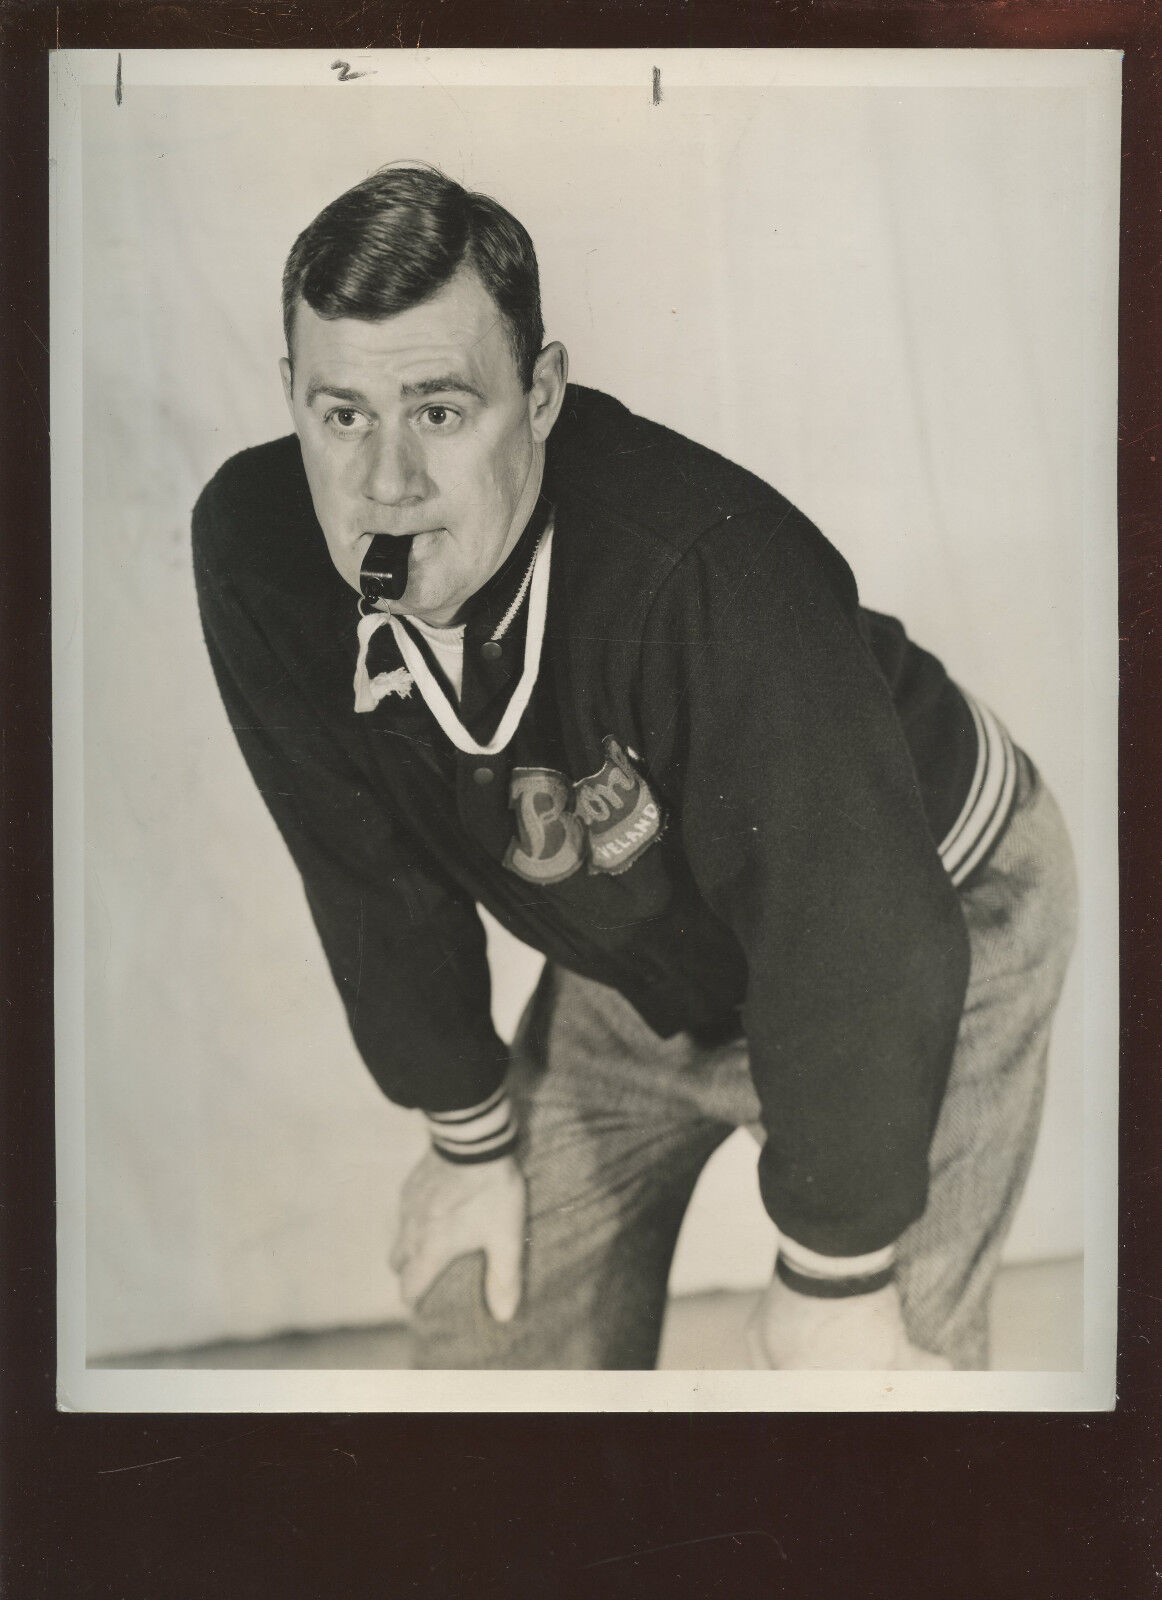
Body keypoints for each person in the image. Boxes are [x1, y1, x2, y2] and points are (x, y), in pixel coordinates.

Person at [192, 164, 1077, 1371]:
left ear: (541, 393)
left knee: (862, 1424)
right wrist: (466, 1134)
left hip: (920, 914)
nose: (383, 486)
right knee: (487, 1337)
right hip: (649, 930)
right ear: (289, 393)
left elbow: (856, 925)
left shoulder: (710, 567)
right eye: (341, 414)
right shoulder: (258, 551)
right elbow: (362, 865)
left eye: (440, 411)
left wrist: (835, 1269)